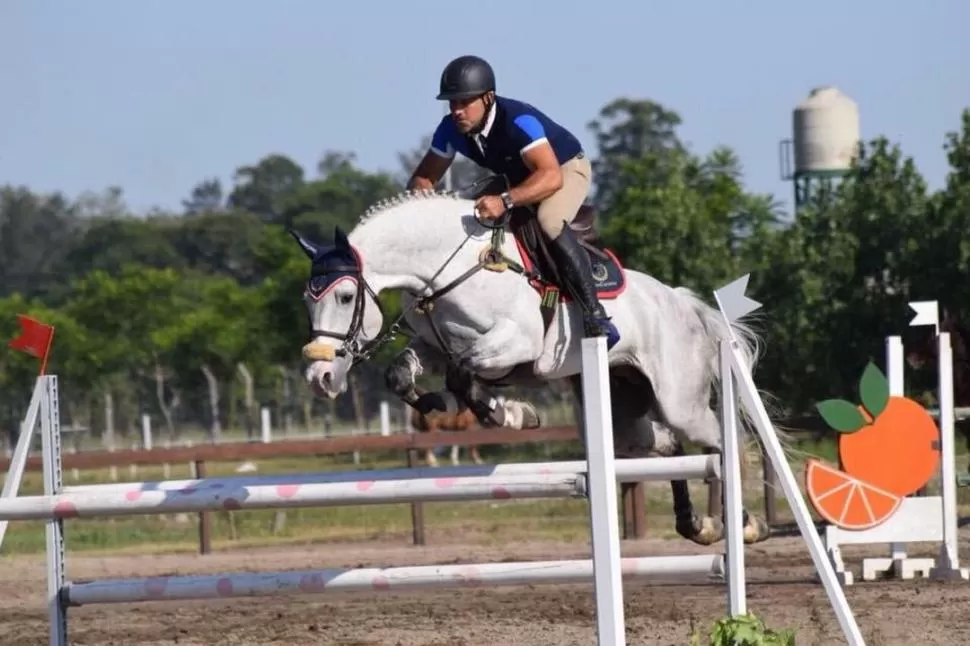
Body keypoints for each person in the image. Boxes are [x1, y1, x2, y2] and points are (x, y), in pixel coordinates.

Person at [407, 54, 620, 349]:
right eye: (452, 103)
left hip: (564, 168)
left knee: (548, 220)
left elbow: (550, 177)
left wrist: (505, 201)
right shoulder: (450, 130)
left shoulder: (519, 121)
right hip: (518, 176)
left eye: (464, 102)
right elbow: (424, 178)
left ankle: (595, 315)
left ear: (488, 97)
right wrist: (422, 204)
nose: (457, 111)